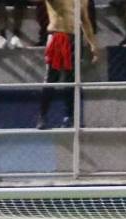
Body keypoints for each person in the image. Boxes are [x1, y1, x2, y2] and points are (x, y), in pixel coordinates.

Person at [36, 0, 98, 130]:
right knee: (52, 77)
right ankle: (42, 116)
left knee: (71, 78)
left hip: (74, 37)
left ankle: (70, 117)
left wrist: (92, 44)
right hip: (57, 34)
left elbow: (85, 21)